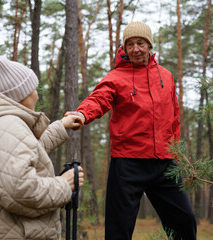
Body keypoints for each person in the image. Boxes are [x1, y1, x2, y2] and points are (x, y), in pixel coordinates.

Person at [66, 21, 197, 239]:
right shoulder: (115, 78)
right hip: (128, 163)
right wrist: (82, 114)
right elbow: (98, 100)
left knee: (185, 221)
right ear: (125, 49)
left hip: (164, 162)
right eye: (130, 45)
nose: (135, 49)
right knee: (119, 229)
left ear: (150, 45)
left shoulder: (166, 76)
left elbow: (174, 115)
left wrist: (176, 150)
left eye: (141, 43)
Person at [0, 56, 84, 240]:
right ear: (21, 94)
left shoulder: (4, 124)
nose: (37, 95)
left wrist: (61, 126)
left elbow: (27, 149)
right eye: (34, 89)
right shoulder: (9, 127)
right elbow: (19, 190)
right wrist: (64, 185)